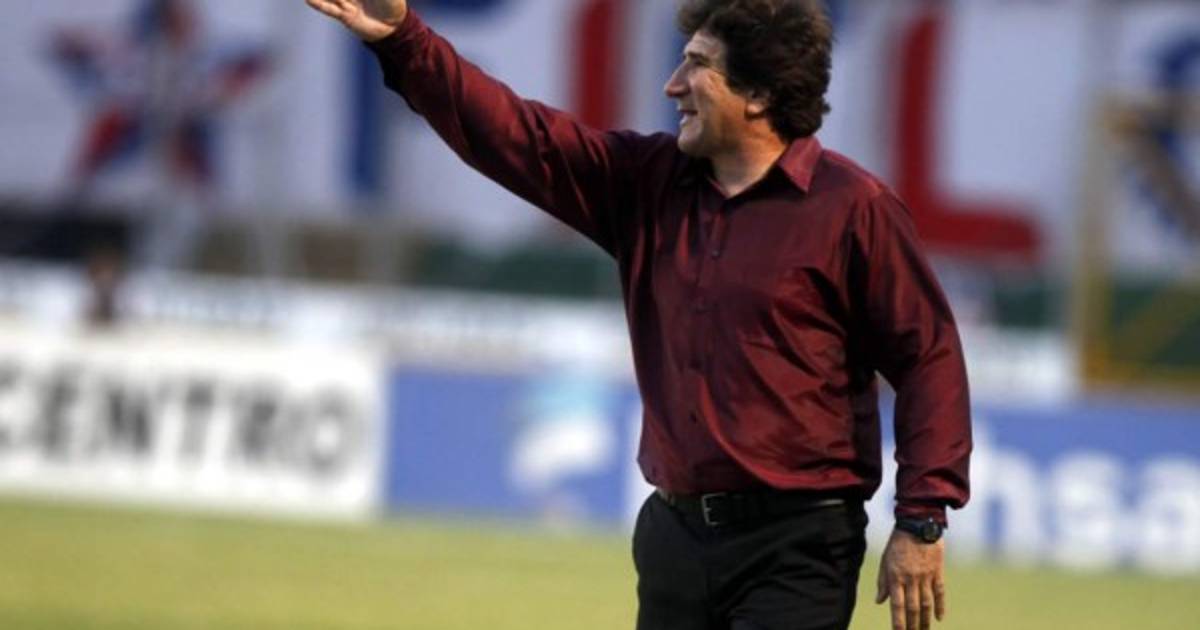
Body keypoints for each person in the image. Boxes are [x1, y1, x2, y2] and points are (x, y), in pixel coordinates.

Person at [305, 1, 972, 629]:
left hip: (798, 547)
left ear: (758, 94)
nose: (671, 85)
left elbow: (927, 359)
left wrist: (921, 519)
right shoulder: (645, 182)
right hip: (672, 539)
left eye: (697, 65)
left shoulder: (854, 208)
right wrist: (403, 40)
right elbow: (517, 136)